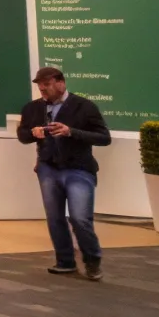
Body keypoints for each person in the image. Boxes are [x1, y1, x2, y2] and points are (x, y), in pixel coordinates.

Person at [18, 68, 112, 280]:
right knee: (55, 217)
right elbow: (22, 135)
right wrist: (33, 133)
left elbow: (104, 137)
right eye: (39, 84)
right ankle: (65, 261)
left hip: (79, 169)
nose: (42, 88)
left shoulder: (84, 106)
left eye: (47, 84)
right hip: (48, 168)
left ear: (61, 83)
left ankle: (92, 259)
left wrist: (71, 132)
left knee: (80, 218)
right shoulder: (33, 108)